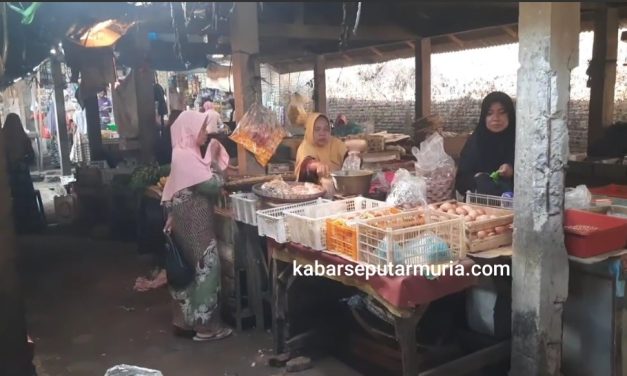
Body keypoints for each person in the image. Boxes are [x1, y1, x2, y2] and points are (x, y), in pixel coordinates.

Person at [160, 110, 232, 341]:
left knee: (189, 271)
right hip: (196, 223)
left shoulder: (183, 154)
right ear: (189, 131)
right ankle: (207, 328)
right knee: (207, 270)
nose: (205, 133)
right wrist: (216, 165)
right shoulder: (185, 156)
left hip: (188, 221)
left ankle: (185, 323)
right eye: (201, 128)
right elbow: (210, 185)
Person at [455, 91, 516, 197]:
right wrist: (478, 179)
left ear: (510, 115)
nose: (496, 118)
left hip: (513, 207)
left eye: (501, 112)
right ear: (484, 117)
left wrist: (512, 171)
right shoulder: (475, 143)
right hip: (478, 208)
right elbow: (460, 182)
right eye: (489, 113)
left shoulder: (520, 142)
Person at [1, 113, 42, 234]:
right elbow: (31, 157)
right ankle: (31, 225)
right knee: (27, 199)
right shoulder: (23, 137)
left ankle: (16, 225)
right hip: (23, 176)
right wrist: (21, 161)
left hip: (9, 178)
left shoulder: (3, 138)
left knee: (13, 201)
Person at [295, 112, 348, 183]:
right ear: (310, 131)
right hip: (311, 190)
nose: (322, 133)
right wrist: (317, 165)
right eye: (317, 129)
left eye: (326, 129)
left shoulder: (336, 143)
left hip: (338, 188)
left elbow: (348, 157)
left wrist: (354, 156)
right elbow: (306, 163)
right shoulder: (305, 146)